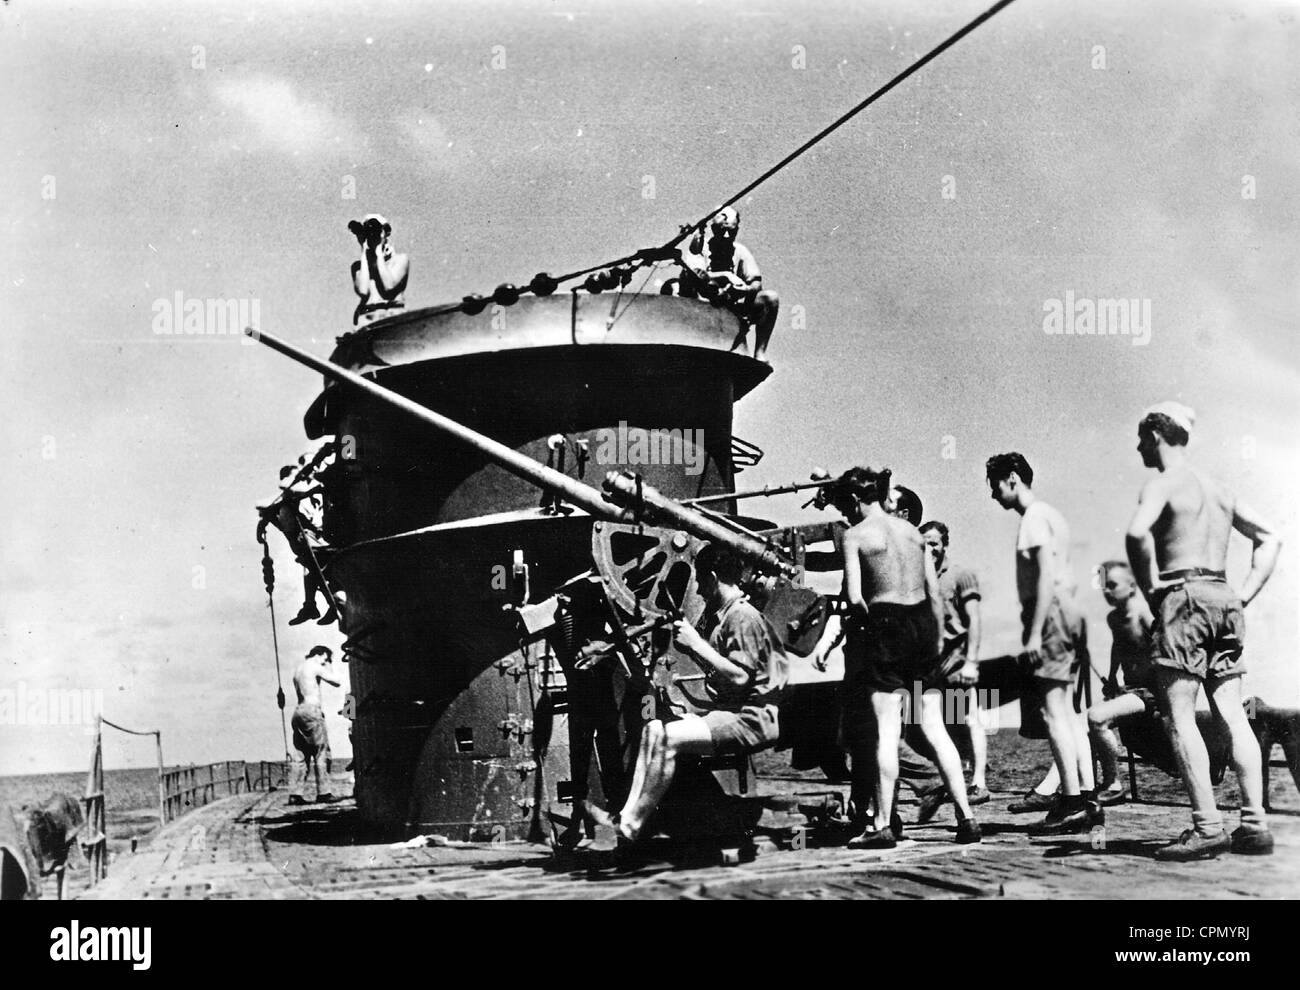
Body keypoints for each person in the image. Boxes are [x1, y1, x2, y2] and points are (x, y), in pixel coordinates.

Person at [1125, 402, 1281, 860]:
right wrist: (1245, 594)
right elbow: (1270, 536)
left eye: (1141, 438)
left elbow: (1136, 535)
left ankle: (1207, 825)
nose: (1139, 447)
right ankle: (1254, 824)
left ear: (1156, 434)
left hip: (1184, 594)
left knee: (1179, 715)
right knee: (1232, 713)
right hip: (1223, 593)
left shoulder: (1163, 483)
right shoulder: (1220, 489)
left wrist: (1153, 587)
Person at [836, 467, 981, 847]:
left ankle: (882, 825)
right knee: (935, 727)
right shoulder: (914, 533)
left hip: (885, 625)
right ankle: (966, 819)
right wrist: (932, 640)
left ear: (854, 500)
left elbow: (854, 597)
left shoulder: (855, 535)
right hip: (922, 627)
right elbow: (933, 593)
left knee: (886, 729)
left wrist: (873, 632)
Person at [612, 542, 788, 845]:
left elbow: (741, 676)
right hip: (731, 712)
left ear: (714, 577)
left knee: (669, 738)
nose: (697, 589)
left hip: (752, 717)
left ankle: (633, 825)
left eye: (700, 580)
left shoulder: (742, 617)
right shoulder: (725, 616)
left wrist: (696, 645)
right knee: (653, 728)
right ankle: (625, 815)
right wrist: (692, 647)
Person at [987, 452, 1100, 835]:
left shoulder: (1033, 518)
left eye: (995, 485)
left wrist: (1034, 633)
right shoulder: (1053, 515)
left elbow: (1046, 574)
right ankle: (1084, 797)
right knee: (1067, 712)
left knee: (1053, 713)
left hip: (1049, 613)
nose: (993, 494)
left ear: (1013, 479)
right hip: (1069, 611)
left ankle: (1072, 803)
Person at [920, 521, 989, 804]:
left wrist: (972, 661)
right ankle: (950, 781)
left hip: (958, 657)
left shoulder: (961, 575)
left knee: (970, 718)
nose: (929, 548)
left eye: (934, 543)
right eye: (924, 543)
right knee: (933, 723)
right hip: (930, 661)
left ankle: (979, 783)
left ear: (944, 544)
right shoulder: (919, 578)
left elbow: (974, 620)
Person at [665, 207, 780, 362]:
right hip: (700, 304)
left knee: (770, 299)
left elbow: (755, 282)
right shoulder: (701, 246)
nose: (726, 236)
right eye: (722, 231)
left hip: (731, 307)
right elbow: (695, 274)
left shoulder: (740, 250)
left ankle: (759, 353)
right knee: (675, 287)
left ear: (737, 230)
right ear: (714, 229)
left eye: (731, 232)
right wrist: (726, 276)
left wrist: (744, 290)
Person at [1087, 560, 1156, 805]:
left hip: (1151, 693)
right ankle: (1071, 791)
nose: (1107, 591)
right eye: (1104, 586)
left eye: (1113, 585)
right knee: (1081, 726)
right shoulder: (1113, 618)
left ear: (1132, 586)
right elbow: (1119, 645)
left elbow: (1163, 647)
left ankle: (1113, 784)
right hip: (1129, 690)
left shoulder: (1144, 614)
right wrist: (1113, 676)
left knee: (1096, 717)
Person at [257, 463, 337, 626]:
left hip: (313, 538)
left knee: (318, 571)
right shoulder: (288, 498)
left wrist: (292, 482)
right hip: (300, 540)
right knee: (311, 570)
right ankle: (312, 606)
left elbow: (287, 488)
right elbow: (265, 506)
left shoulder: (307, 488)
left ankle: (331, 605)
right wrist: (265, 521)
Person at [289, 646, 342, 806]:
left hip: (298, 712)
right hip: (312, 711)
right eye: (325, 658)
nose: (325, 661)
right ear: (320, 654)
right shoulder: (315, 666)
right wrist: (329, 664)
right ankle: (324, 793)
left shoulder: (298, 669)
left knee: (301, 755)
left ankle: (295, 794)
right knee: (321, 753)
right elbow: (337, 681)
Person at [349, 213, 409, 326]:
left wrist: (378, 252)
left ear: (386, 233)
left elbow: (388, 288)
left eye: (376, 231)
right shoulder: (357, 267)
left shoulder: (400, 260)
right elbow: (363, 290)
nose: (372, 236)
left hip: (392, 318)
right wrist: (364, 249)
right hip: (368, 320)